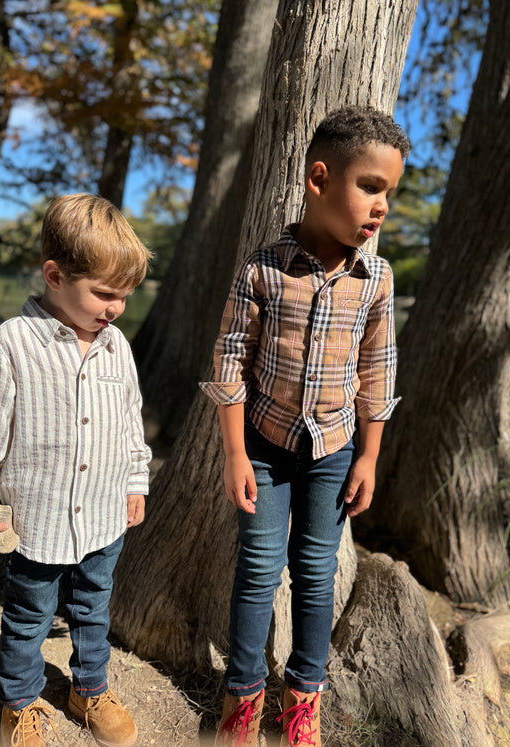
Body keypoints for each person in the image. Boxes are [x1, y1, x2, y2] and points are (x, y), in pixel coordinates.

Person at [200, 106, 410, 747]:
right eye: (370, 187)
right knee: (259, 568)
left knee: (316, 569)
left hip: (334, 451)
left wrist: (369, 457)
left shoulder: (376, 281)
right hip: (263, 445)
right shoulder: (263, 268)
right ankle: (242, 701)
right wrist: (235, 455)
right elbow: (230, 361)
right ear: (320, 179)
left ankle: (301, 705)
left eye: (389, 195)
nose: (380, 207)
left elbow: (377, 376)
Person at [0, 194, 152, 747]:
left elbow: (130, 424)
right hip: (37, 521)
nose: (116, 308)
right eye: (104, 294)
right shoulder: (10, 345)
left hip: (105, 517)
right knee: (27, 616)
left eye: (125, 297)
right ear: (55, 275)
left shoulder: (118, 350)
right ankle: (18, 703)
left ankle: (89, 688)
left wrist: (137, 480)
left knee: (92, 607)